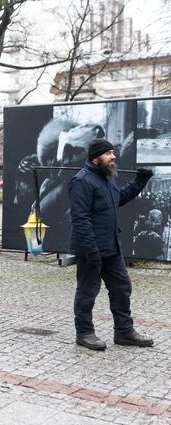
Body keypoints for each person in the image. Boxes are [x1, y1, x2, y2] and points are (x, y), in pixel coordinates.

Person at [69, 138, 154, 351]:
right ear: (96, 157)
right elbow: (80, 219)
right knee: (88, 292)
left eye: (113, 152)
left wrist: (140, 182)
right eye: (108, 153)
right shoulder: (82, 181)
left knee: (122, 287)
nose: (113, 156)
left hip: (112, 247)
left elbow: (119, 199)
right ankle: (85, 333)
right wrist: (91, 250)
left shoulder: (107, 178)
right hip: (92, 250)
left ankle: (124, 332)